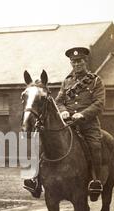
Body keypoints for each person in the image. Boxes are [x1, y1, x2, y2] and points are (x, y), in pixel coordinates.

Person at [24, 47, 104, 201]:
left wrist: (83, 114)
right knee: (41, 144)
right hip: (68, 123)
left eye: (79, 61)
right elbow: (59, 101)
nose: (76, 64)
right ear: (71, 63)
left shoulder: (95, 81)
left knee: (95, 145)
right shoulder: (67, 81)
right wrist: (63, 111)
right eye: (74, 61)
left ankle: (95, 180)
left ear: (85, 61)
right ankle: (35, 179)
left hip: (88, 124)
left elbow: (99, 102)